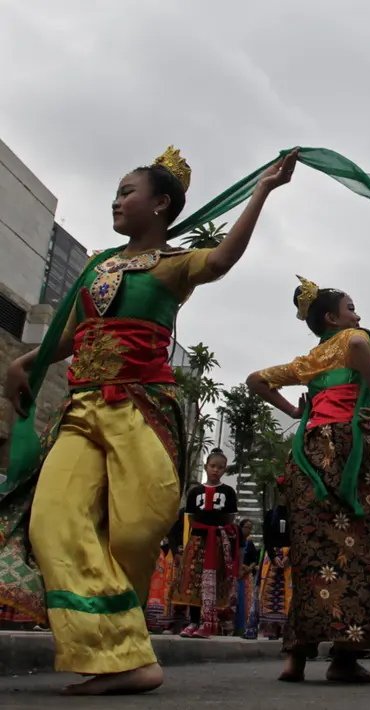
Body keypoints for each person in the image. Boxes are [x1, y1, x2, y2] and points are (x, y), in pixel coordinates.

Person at [0, 146, 298, 695]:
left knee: (135, 532)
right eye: (115, 191)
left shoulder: (174, 264)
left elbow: (222, 260)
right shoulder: (97, 266)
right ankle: (122, 656)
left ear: (161, 204)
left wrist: (263, 191)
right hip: (81, 410)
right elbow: (70, 334)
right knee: (51, 522)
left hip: (141, 409)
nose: (116, 200)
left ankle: (118, 655)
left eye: (127, 191)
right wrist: (23, 361)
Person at [245, 277, 370, 684]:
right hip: (344, 450)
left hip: (306, 455)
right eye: (351, 308)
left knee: (310, 556)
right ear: (333, 318)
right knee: (361, 548)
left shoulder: (309, 361)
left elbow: (255, 379)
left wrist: (293, 411)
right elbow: (358, 345)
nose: (358, 315)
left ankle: (296, 658)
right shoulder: (352, 338)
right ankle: (344, 658)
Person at [171, 449, 240, 639]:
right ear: (205, 466)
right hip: (198, 540)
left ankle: (208, 622)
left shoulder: (228, 492)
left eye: (220, 467)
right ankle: (193, 621)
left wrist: (218, 532)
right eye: (212, 466)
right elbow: (191, 518)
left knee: (213, 582)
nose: (215, 470)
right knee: (194, 580)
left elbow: (230, 518)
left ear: (224, 470)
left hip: (217, 541)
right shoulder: (196, 492)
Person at [257, 495, 292, 641]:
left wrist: (290, 556)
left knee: (288, 592)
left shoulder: (296, 515)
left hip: (289, 557)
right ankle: (271, 625)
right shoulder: (271, 514)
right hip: (272, 557)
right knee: (270, 590)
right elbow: (267, 537)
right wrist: (272, 556)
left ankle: (286, 627)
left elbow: (298, 537)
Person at [235, 519, 261, 638]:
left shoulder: (249, 543)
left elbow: (254, 560)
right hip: (235, 575)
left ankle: (242, 629)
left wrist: (248, 569)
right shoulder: (234, 540)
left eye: (250, 528)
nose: (248, 530)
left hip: (245, 577)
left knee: (245, 604)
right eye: (246, 527)